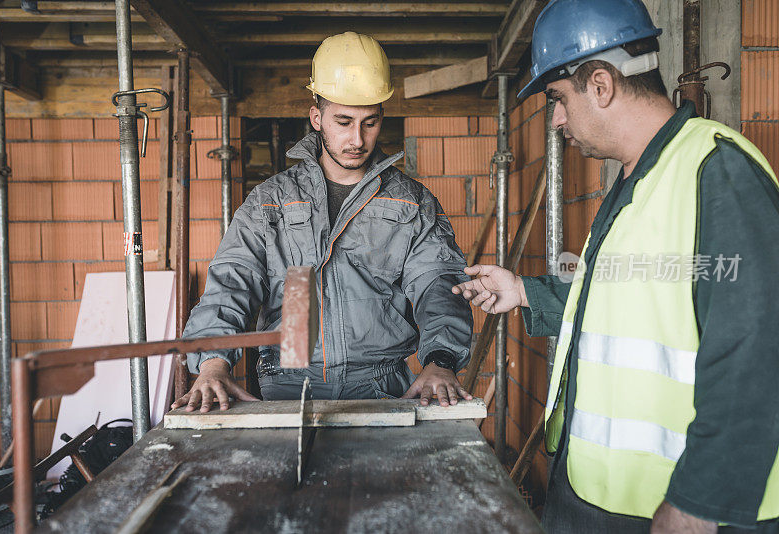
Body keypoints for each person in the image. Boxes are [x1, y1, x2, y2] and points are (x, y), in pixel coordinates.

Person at [453, 0, 779, 532]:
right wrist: (525, 292)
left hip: (676, 510)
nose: (556, 121)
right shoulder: (634, 183)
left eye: (558, 99)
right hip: (601, 499)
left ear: (599, 85)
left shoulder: (716, 172)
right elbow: (622, 305)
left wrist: (699, 504)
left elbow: (760, 350)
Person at [173, 32, 473, 413]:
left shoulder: (410, 202)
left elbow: (438, 283)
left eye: (370, 122)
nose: (357, 139)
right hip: (287, 385)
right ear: (317, 117)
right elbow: (233, 281)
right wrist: (214, 364)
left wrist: (441, 362)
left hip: (381, 385)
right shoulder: (271, 202)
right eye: (343, 121)